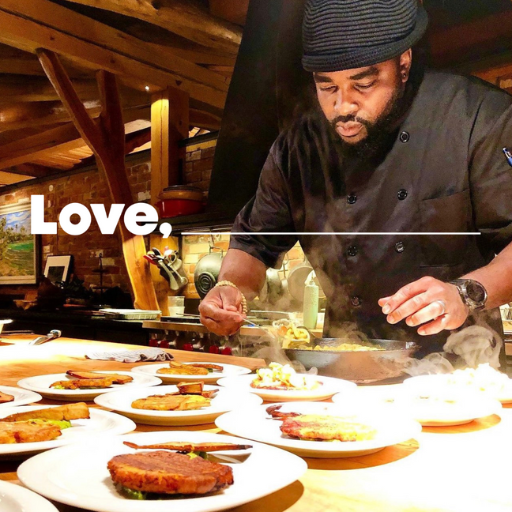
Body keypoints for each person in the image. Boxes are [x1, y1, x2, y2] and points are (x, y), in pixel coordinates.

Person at [199, 0, 512, 358]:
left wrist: (464, 292)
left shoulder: (475, 119)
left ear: (404, 63)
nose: (343, 106)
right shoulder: (298, 147)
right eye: (327, 87)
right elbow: (254, 243)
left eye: (363, 84)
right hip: (342, 364)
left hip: (459, 370)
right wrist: (228, 288)